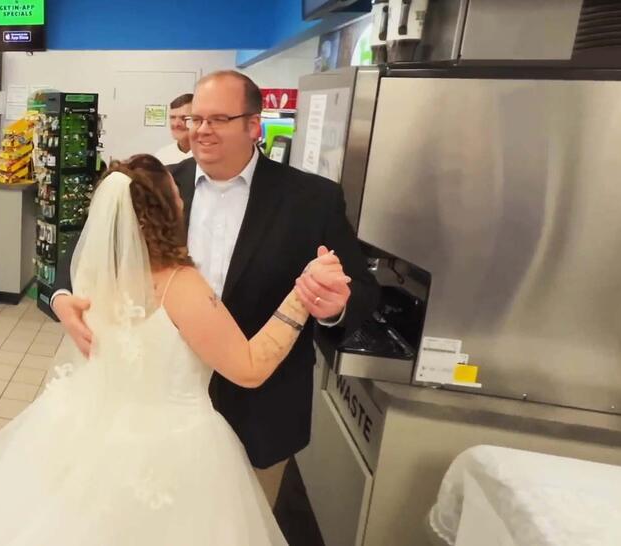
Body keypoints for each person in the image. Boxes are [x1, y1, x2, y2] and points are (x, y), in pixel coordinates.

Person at [0, 154, 343, 544]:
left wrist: (58, 296)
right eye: (177, 195)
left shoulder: (100, 277)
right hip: (174, 446)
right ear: (167, 212)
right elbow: (249, 367)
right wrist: (301, 297)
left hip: (95, 428)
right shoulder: (180, 285)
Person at [54, 71, 380, 524]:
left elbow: (361, 289)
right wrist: (63, 296)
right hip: (159, 425)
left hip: (261, 411)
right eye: (195, 119)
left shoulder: (310, 199)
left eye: (218, 119)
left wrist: (334, 307)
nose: (201, 131)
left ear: (253, 125)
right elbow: (89, 246)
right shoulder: (160, 187)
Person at [154, 93, 194, 165]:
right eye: (172, 117)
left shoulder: (208, 155)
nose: (176, 124)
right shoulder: (162, 156)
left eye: (184, 118)